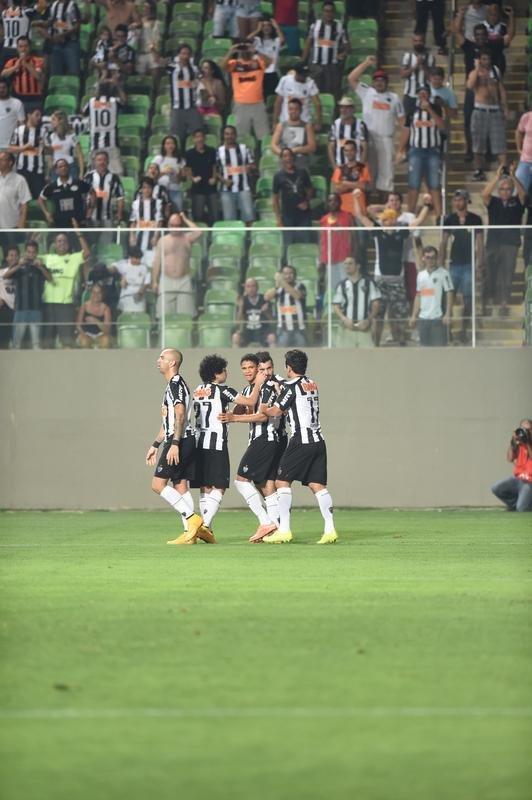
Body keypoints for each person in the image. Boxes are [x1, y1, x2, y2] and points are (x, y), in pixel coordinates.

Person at [260, 348, 338, 545]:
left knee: (281, 482)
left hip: (301, 440)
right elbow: (296, 404)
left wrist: (264, 408)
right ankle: (330, 530)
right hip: (318, 441)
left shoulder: (290, 386)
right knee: (317, 485)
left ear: (289, 367)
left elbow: (276, 411)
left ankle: (284, 530)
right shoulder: (311, 383)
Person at [191, 353, 265, 541]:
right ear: (216, 373)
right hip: (216, 444)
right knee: (219, 486)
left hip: (199, 443)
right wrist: (258, 384)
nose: (226, 373)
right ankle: (204, 526)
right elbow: (250, 401)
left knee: (205, 486)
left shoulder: (198, 390)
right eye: (224, 370)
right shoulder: (222, 390)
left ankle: (207, 529)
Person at [145, 348, 208, 546]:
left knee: (157, 485)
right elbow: (169, 421)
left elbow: (180, 415)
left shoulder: (175, 384)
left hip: (180, 441)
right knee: (180, 485)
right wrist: (155, 444)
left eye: (162, 357)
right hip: (180, 439)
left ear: (172, 363)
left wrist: (174, 443)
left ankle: (192, 519)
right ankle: (190, 534)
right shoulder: (173, 385)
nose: (158, 360)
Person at [353, 188, 432, 346]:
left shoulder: (401, 231)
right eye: (386, 219)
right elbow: (360, 215)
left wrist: (427, 205)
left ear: (395, 220)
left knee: (400, 315)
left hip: (397, 280)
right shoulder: (377, 231)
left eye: (391, 219)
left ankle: (400, 341)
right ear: (383, 220)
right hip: (381, 280)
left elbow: (418, 220)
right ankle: (375, 343)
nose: (389, 221)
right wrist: (355, 198)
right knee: (378, 315)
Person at [218, 353, 280, 542]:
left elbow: (262, 416)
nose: (247, 371)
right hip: (260, 440)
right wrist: (227, 410)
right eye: (244, 368)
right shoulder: (248, 390)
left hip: (266, 438)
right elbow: (238, 408)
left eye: (251, 367)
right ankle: (276, 529)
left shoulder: (267, 387)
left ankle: (266, 522)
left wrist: (234, 418)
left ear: (258, 369)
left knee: (241, 480)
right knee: (265, 485)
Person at [348, 57, 405, 201]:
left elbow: (403, 123)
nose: (379, 83)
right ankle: (367, 202)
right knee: (368, 171)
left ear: (387, 82)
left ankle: (385, 205)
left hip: (386, 140)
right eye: (377, 80)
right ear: (373, 82)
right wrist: (366, 63)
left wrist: (401, 148)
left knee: (387, 174)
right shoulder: (367, 92)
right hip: (369, 140)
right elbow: (351, 78)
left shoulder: (394, 98)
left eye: (382, 80)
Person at [481, 164, 525, 317]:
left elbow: (523, 195)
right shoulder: (494, 202)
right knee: (490, 273)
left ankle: (504, 303)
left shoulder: (516, 202)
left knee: (507, 274)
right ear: (498, 191)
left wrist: (513, 176)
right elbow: (484, 195)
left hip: (510, 243)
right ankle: (488, 301)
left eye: (508, 189)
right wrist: (497, 177)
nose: (505, 192)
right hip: (493, 242)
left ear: (511, 190)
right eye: (502, 189)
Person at [440, 189, 484, 343]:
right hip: (454, 264)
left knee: (468, 299)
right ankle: (447, 331)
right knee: (448, 298)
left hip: (469, 264)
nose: (458, 202)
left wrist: (479, 265)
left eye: (461, 199)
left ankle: (465, 330)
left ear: (466, 200)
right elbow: (443, 242)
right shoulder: (450, 219)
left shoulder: (475, 219)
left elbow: (480, 242)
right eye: (456, 200)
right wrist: (441, 265)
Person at [396, 83, 444, 217]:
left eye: (425, 92)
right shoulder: (412, 110)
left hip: (432, 151)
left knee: (434, 183)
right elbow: (406, 130)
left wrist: (430, 110)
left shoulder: (436, 108)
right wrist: (400, 149)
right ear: (417, 94)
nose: (422, 94)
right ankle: (410, 215)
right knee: (413, 183)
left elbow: (442, 126)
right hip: (416, 151)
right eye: (420, 92)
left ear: (429, 94)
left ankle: (439, 216)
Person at [41, 225, 90, 348]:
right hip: (48, 304)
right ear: (54, 244)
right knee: (47, 343)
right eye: (59, 241)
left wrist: (78, 233)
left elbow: (87, 253)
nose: (62, 243)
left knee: (67, 343)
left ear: (68, 244)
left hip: (66, 305)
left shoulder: (73, 258)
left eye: (64, 241)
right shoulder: (47, 258)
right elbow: (30, 257)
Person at [467, 48, 508, 181]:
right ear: (479, 59)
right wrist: (477, 69)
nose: (487, 61)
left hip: (495, 110)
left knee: (500, 142)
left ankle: (505, 170)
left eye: (488, 59)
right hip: (480, 110)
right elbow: (470, 85)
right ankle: (479, 170)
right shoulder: (474, 72)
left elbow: (501, 89)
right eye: (484, 59)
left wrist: (505, 108)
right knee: (478, 144)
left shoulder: (495, 71)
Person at [151, 211, 200, 318]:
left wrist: (185, 219)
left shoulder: (187, 238)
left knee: (186, 315)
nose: (174, 228)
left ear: (181, 225)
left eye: (177, 225)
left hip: (184, 280)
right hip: (166, 280)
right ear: (168, 225)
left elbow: (199, 232)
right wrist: (154, 281)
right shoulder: (163, 240)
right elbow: (157, 262)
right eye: (172, 225)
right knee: (164, 315)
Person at [4, 239, 52, 349]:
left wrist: (40, 266)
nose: (31, 254)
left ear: (37, 253)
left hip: (36, 308)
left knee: (36, 345)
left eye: (33, 252)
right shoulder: (18, 265)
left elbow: (50, 279)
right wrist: (18, 265)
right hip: (21, 309)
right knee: (16, 344)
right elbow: (5, 276)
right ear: (25, 252)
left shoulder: (40, 265)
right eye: (29, 252)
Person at [221, 40, 270, 141]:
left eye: (247, 48)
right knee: (241, 136)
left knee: (264, 135)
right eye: (243, 49)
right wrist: (231, 51)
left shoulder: (258, 63)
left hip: (258, 103)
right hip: (240, 104)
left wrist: (256, 51)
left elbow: (269, 62)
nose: (245, 51)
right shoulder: (234, 64)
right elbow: (222, 66)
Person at [409, 245, 454, 346]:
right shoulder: (420, 275)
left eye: (433, 257)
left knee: (439, 348)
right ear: (423, 258)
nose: (430, 260)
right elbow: (419, 295)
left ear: (436, 258)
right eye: (428, 257)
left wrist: (448, 313)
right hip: (423, 318)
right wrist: (414, 315)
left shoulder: (444, 273)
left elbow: (449, 293)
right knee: (424, 348)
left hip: (437, 317)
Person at [302, 0, 348, 98]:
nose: (329, 13)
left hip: (331, 66)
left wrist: (344, 53)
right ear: (322, 12)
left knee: (331, 94)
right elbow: (308, 44)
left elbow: (346, 44)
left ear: (334, 13)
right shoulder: (315, 26)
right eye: (326, 11)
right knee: (314, 93)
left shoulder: (339, 27)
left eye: (331, 11)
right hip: (316, 65)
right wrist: (302, 62)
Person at [332, 256, 381, 348]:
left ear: (358, 266)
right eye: (345, 264)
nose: (347, 266)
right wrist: (344, 319)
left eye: (350, 263)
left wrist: (368, 320)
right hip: (346, 329)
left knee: (368, 356)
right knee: (344, 356)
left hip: (364, 329)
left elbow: (376, 304)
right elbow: (336, 305)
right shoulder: (341, 285)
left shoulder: (369, 283)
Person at [83, 77, 125, 176]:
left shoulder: (91, 102)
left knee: (93, 175)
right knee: (116, 174)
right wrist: (118, 86)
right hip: (111, 144)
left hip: (95, 145)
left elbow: (83, 112)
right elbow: (124, 100)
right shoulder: (114, 101)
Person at [272, 147, 312, 248]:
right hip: (287, 216)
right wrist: (278, 219)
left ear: (293, 158)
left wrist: (306, 201)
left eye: (290, 156)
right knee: (288, 245)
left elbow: (310, 189)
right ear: (281, 159)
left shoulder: (302, 172)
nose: (288, 158)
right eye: (285, 156)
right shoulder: (278, 176)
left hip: (303, 216)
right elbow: (275, 199)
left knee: (305, 244)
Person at [216, 124, 255, 224]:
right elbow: (214, 171)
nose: (229, 136)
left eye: (232, 134)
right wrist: (223, 180)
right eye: (227, 134)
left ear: (236, 135)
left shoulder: (244, 148)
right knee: (229, 220)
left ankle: (249, 234)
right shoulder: (219, 151)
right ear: (223, 136)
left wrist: (249, 168)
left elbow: (253, 165)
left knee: (249, 217)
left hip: (244, 188)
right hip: (226, 190)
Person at [166, 43, 202, 149]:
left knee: (197, 134)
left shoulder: (194, 69)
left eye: (187, 54)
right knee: (176, 137)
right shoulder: (172, 68)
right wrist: (153, 50)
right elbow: (159, 62)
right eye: (183, 53)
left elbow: (200, 81)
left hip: (192, 107)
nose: (185, 56)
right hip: (177, 108)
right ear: (179, 55)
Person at [491, 420, 532, 513]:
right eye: (523, 429)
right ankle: (515, 504)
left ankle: (524, 503)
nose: (526, 432)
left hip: (530, 482)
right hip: (517, 479)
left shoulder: (528, 443)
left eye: (528, 429)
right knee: (496, 488)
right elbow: (510, 458)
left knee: (522, 509)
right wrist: (512, 442)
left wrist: (527, 442)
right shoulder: (519, 443)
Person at [39, 158, 92, 228]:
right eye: (60, 167)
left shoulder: (78, 183)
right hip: (59, 222)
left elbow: (92, 192)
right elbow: (41, 199)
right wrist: (46, 213)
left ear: (69, 168)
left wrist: (89, 211)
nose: (63, 168)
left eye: (65, 166)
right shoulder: (52, 186)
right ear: (56, 171)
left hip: (78, 221)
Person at [319, 194, 355, 291]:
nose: (333, 203)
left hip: (344, 255)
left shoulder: (348, 216)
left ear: (340, 202)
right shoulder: (324, 219)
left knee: (346, 285)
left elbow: (353, 235)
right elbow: (322, 239)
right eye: (330, 201)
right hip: (329, 256)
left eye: (335, 200)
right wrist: (321, 258)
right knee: (332, 286)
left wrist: (353, 253)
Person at [264, 264, 307, 347]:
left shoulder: (300, 286)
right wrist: (277, 286)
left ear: (295, 275)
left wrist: (282, 281)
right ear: (282, 275)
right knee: (282, 352)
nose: (288, 276)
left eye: (291, 273)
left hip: (298, 328)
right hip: (283, 329)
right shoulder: (279, 288)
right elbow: (266, 297)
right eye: (285, 274)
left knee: (301, 352)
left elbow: (297, 295)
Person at [185, 129, 219, 226]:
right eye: (197, 137)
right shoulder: (189, 153)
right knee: (197, 215)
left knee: (215, 215)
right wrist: (193, 178)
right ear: (194, 139)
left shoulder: (212, 151)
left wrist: (214, 178)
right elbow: (187, 170)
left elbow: (215, 167)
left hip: (211, 187)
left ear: (205, 138)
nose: (199, 139)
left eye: (201, 136)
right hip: (197, 188)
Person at [271, 97, 316, 172]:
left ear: (301, 110)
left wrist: (296, 150)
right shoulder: (281, 125)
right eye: (290, 109)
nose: (293, 111)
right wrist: (284, 154)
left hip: (301, 160)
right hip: (284, 161)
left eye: (296, 109)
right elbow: (273, 145)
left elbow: (312, 147)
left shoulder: (307, 126)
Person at [0, 36, 44, 113]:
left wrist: (25, 63)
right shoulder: (12, 62)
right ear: (17, 48)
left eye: (26, 46)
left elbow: (38, 76)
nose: (23, 49)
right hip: (18, 98)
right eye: (21, 46)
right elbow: (3, 74)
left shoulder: (37, 60)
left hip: (35, 99)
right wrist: (15, 67)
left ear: (30, 47)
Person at [9, 106, 45, 200]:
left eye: (40, 115)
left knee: (41, 198)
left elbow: (46, 150)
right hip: (23, 170)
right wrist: (25, 147)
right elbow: (11, 148)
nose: (39, 118)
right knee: (22, 198)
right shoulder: (18, 131)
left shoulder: (43, 131)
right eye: (36, 115)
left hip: (38, 171)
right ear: (29, 115)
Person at [274, 62, 321, 130]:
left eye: (306, 74)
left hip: (304, 123)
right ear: (297, 73)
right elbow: (278, 102)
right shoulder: (285, 80)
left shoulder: (310, 83)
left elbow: (317, 104)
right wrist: (275, 121)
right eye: (303, 75)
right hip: (286, 122)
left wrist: (319, 122)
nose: (305, 77)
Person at [41, 0, 82, 77]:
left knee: (73, 71)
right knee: (55, 72)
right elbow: (52, 22)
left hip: (71, 43)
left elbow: (77, 26)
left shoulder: (72, 5)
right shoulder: (54, 5)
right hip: (57, 44)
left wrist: (63, 34)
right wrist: (43, 27)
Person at [129, 175, 164, 265]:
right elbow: (133, 222)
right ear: (141, 189)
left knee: (151, 263)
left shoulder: (158, 203)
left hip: (152, 239)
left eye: (149, 187)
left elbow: (160, 222)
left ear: (152, 189)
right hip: (139, 238)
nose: (147, 190)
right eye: (144, 187)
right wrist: (132, 236)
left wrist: (156, 236)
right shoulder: (136, 204)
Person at [331, 139, 371, 215]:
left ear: (356, 151)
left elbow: (364, 186)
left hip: (359, 207)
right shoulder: (339, 169)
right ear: (344, 152)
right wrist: (355, 185)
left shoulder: (363, 168)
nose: (349, 153)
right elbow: (336, 190)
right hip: (343, 208)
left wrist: (345, 183)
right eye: (346, 150)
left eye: (351, 150)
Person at [248, 15, 284, 97]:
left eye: (268, 25)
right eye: (263, 25)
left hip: (272, 73)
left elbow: (282, 40)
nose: (266, 28)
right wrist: (257, 30)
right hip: (259, 73)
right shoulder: (256, 40)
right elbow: (247, 40)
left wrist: (277, 27)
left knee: (272, 97)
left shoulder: (276, 40)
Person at [401, 32, 436, 117]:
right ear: (412, 42)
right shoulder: (407, 56)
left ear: (424, 42)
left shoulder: (430, 57)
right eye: (416, 41)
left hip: (425, 96)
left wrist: (423, 66)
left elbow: (432, 78)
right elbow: (403, 75)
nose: (418, 43)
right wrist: (415, 66)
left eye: (420, 41)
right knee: (408, 121)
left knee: (424, 119)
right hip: (410, 95)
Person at [231, 277, 274, 348]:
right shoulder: (242, 300)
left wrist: (267, 312)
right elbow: (237, 322)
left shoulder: (264, 299)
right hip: (247, 332)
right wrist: (241, 307)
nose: (251, 289)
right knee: (235, 337)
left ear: (257, 287)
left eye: (253, 286)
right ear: (245, 288)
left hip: (263, 331)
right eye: (248, 286)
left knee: (272, 337)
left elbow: (272, 321)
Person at [328, 95, 368, 169]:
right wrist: (334, 166)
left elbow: (365, 148)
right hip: (340, 165)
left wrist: (360, 166)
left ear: (353, 109)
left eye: (347, 107)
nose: (344, 110)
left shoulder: (360, 125)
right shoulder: (335, 124)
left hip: (356, 165)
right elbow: (331, 147)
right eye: (342, 107)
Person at [44, 109, 84, 181]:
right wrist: (48, 173)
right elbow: (50, 157)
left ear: (60, 121)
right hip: (56, 168)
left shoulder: (72, 136)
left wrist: (81, 172)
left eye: (53, 119)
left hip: (70, 167)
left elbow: (80, 155)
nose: (51, 122)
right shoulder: (51, 136)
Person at [0, 151, 30, 232]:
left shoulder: (19, 180)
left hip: (12, 224)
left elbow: (24, 203)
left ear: (10, 163)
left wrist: (22, 222)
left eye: (2, 160)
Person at [75, 283, 112, 348]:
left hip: (100, 334)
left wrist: (96, 321)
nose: (96, 295)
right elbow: (78, 326)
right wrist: (84, 335)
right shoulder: (84, 307)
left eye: (99, 292)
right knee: (84, 341)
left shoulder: (106, 308)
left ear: (102, 294)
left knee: (105, 340)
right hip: (85, 333)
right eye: (94, 292)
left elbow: (107, 330)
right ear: (90, 293)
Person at [0, 77, 25, 149]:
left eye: (3, 87)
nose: (1, 90)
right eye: (0, 88)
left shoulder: (17, 103)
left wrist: (19, 143)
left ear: (9, 88)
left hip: (11, 146)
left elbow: (21, 125)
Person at [0, 245, 17, 348]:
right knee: (3, 341)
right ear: (6, 258)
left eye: (16, 255)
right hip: (4, 309)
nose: (14, 258)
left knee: (17, 341)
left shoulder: (22, 272)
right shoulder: (1, 272)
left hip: (18, 309)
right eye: (11, 255)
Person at [515, 111, 532, 195]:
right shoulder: (527, 117)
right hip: (525, 161)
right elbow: (519, 132)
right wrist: (518, 148)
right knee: (518, 192)